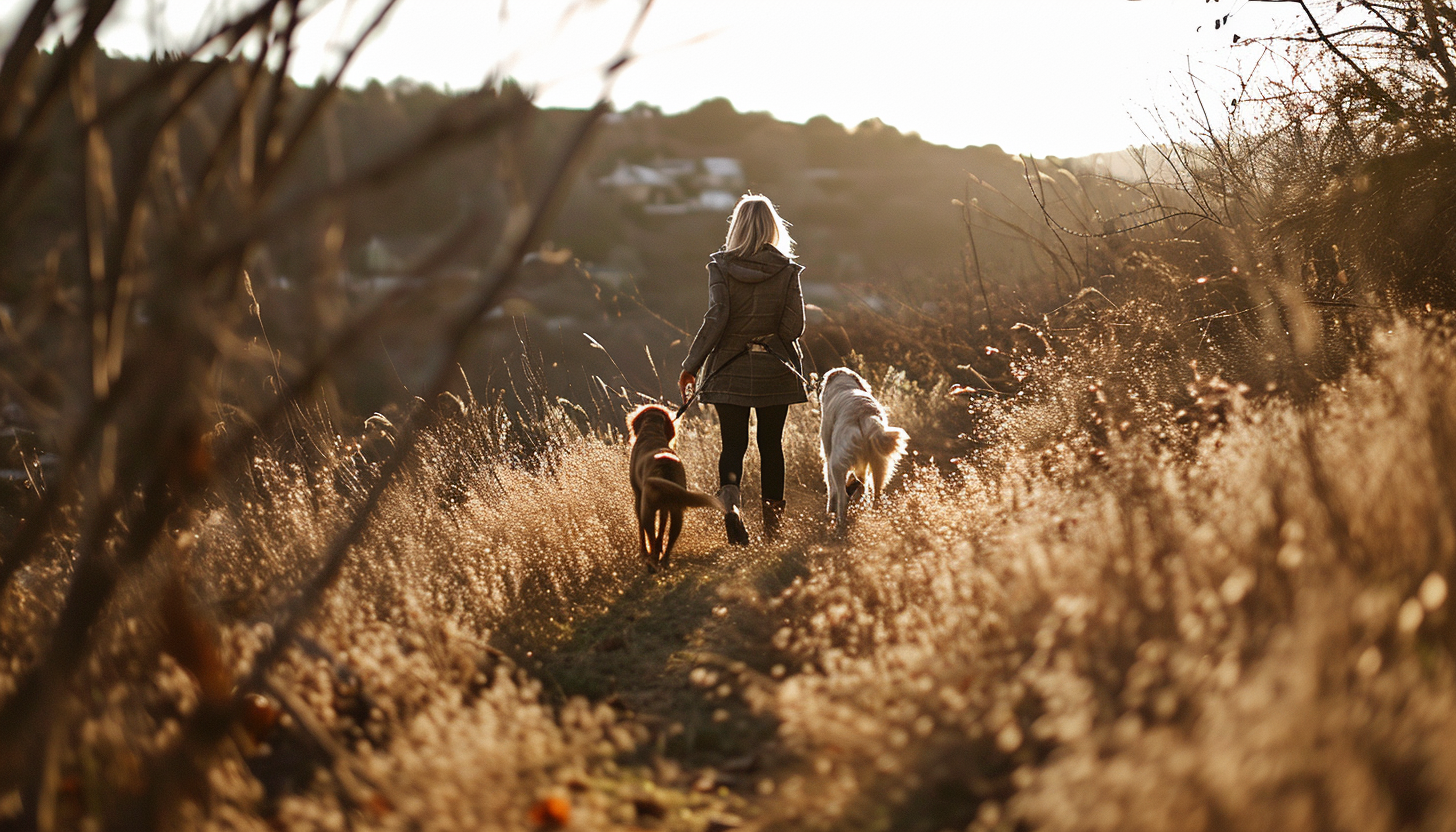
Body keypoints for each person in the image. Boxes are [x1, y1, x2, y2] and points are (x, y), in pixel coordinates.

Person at [679, 194, 807, 545]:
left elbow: (716, 318)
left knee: (732, 446)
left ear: (736, 226)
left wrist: (691, 366)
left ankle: (732, 511)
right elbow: (794, 328)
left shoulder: (719, 267)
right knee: (771, 446)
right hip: (774, 369)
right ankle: (773, 530)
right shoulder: (786, 270)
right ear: (773, 227)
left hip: (729, 367)